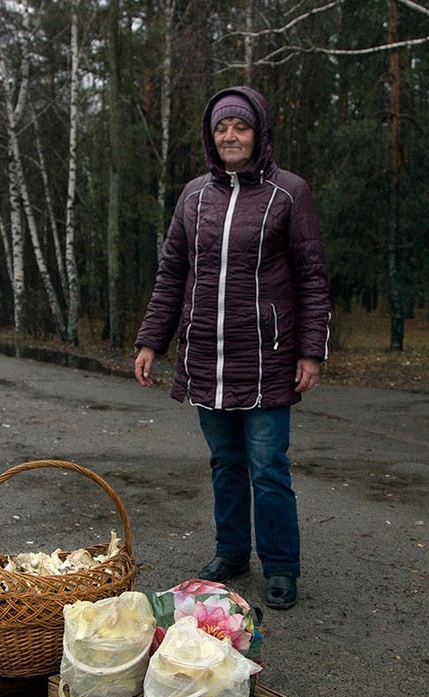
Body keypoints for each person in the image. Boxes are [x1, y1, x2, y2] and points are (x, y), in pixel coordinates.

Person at [133, 86, 331, 611]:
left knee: (267, 466)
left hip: (268, 358)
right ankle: (232, 553)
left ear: (259, 133)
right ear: (211, 136)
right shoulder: (194, 196)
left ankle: (282, 566)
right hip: (206, 358)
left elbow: (312, 278)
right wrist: (153, 339)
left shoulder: (289, 193)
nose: (230, 136)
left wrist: (311, 351)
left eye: (240, 126)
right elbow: (171, 274)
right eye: (222, 128)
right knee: (225, 463)